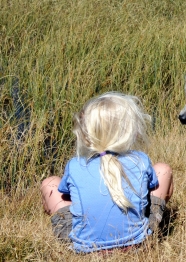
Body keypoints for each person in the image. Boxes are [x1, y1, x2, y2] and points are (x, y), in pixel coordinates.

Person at [40, 92, 174, 253]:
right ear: (130, 131)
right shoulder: (140, 159)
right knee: (163, 171)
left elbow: (66, 194)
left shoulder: (75, 164)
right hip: (137, 243)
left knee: (49, 184)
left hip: (84, 246)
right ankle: (147, 223)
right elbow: (152, 187)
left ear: (87, 132)